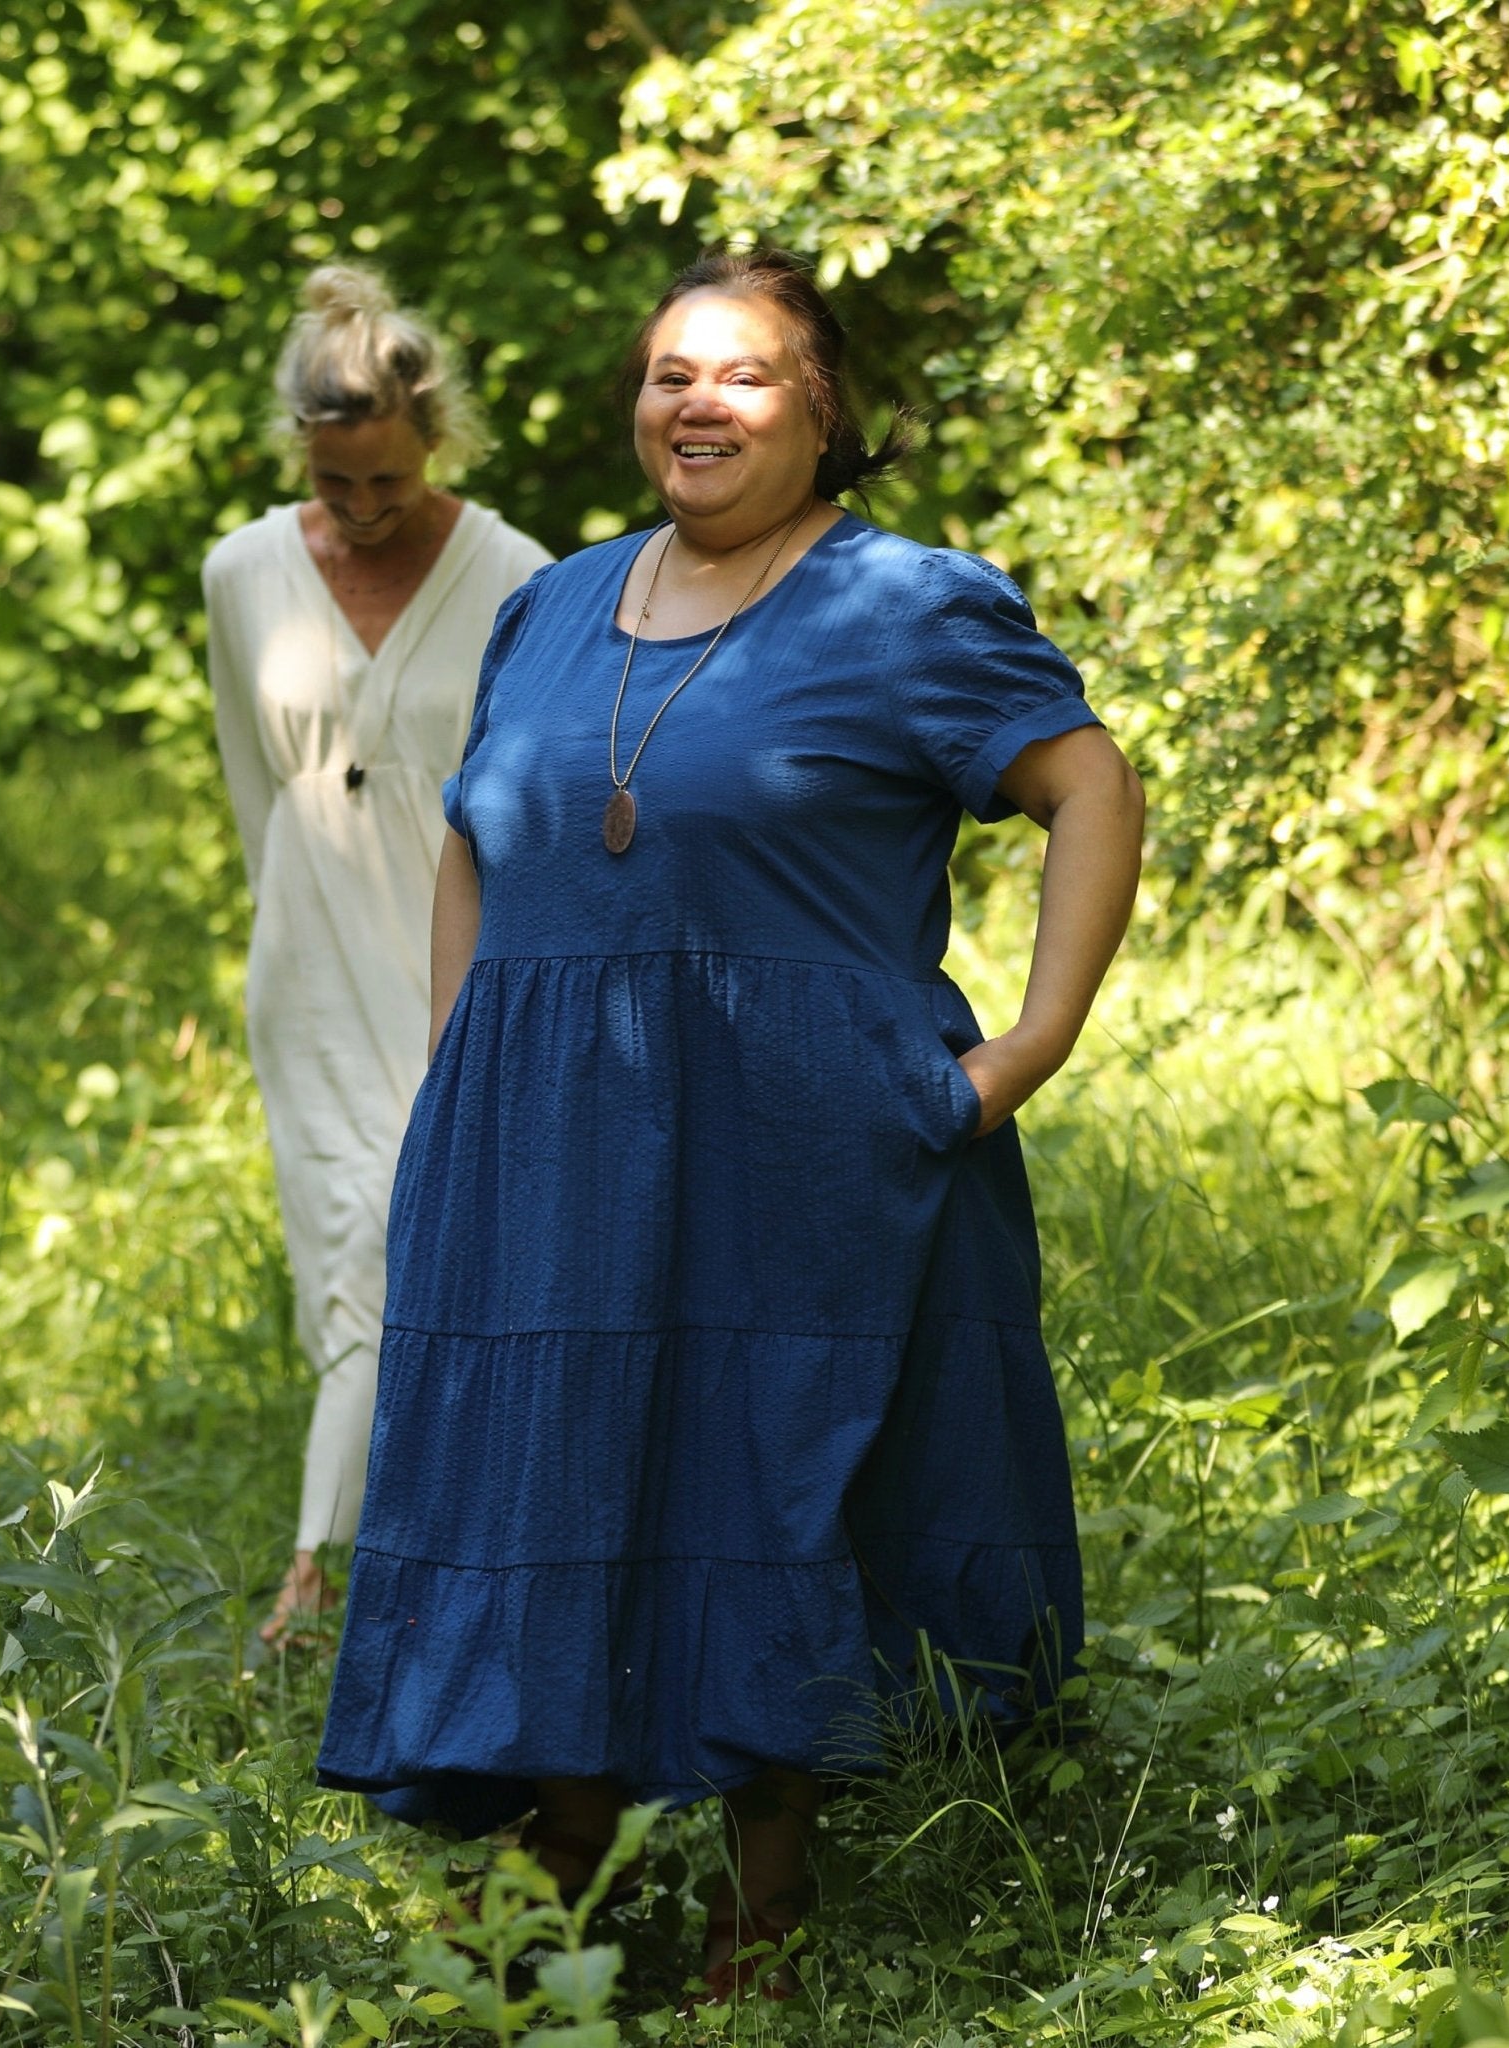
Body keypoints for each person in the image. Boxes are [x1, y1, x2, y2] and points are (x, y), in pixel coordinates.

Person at [316, 245, 1145, 1999]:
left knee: (768, 1464)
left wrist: (1027, 1046)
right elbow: (475, 837)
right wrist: (467, 1065)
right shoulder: (554, 606)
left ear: (822, 411)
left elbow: (1089, 783)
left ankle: (766, 1903)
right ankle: (564, 1846)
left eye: (746, 375)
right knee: (552, 1466)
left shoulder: (905, 606)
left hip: (799, 1138)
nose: (699, 404)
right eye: (671, 374)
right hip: (547, 1142)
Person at [204, 263, 552, 1650]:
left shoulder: (517, 574)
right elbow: (253, 784)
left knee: (426, 1237)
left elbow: (531, 797)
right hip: (307, 958)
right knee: (343, 1242)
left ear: (437, 438)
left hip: (458, 953)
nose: (362, 507)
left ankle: (334, 1565)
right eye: (335, 481)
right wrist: (274, 945)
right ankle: (353, 1552)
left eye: (389, 480)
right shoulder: (242, 573)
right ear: (300, 448)